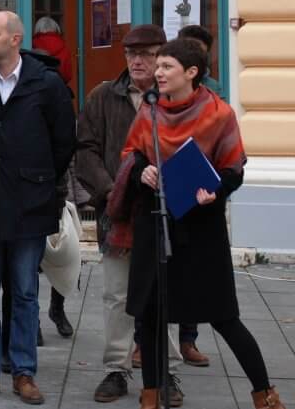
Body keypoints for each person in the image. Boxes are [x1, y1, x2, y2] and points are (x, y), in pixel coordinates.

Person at [107, 39, 287, 409]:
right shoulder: (150, 111)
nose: (158, 72)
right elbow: (132, 155)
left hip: (200, 231)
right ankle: (151, 397)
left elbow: (233, 168)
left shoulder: (219, 114)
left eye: (167, 66)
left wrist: (215, 192)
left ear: (191, 72)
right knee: (151, 319)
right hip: (156, 224)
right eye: (158, 66)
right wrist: (145, 171)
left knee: (224, 318)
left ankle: (264, 394)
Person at [0, 11, 76, 404]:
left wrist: (37, 178)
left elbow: (63, 143)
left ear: (15, 38)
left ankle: (24, 371)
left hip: (29, 203)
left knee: (25, 292)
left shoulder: (46, 84)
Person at [75, 24, 191, 405]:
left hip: (164, 212)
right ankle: (116, 369)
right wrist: (111, 191)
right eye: (131, 54)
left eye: (147, 53)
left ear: (162, 57)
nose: (138, 60)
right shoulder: (103, 96)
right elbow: (86, 150)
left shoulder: (174, 97)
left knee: (166, 293)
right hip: (119, 212)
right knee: (116, 294)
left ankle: (167, 373)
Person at [178, 24, 221, 94]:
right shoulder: (167, 80)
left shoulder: (212, 86)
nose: (193, 55)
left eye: (199, 51)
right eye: (189, 49)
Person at [31, 17, 72, 86]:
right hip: (58, 86)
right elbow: (67, 75)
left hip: (36, 88)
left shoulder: (30, 45)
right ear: (56, 29)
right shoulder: (64, 47)